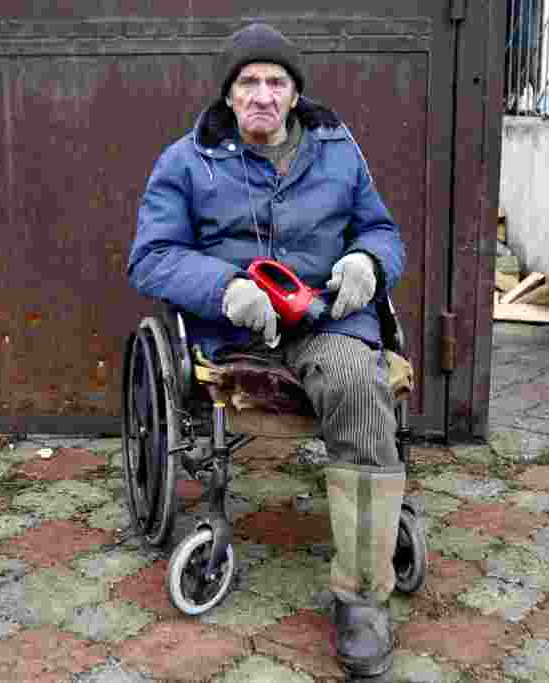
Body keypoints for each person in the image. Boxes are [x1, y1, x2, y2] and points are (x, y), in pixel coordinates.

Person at [127, 23, 407, 678]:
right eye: (248, 82)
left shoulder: (339, 151)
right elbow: (151, 257)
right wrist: (223, 289)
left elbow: (382, 230)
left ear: (294, 93)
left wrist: (368, 260)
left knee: (360, 389)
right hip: (233, 334)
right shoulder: (185, 162)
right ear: (228, 95)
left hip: (326, 322)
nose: (262, 95)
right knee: (243, 339)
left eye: (275, 82)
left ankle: (363, 597)